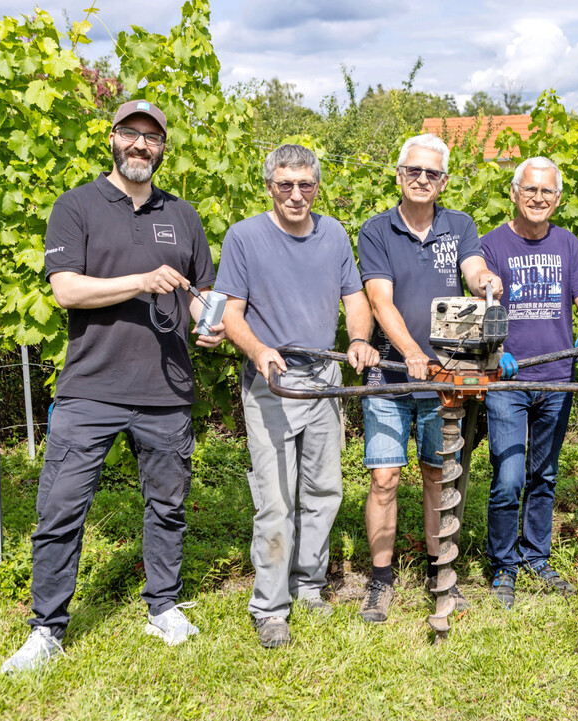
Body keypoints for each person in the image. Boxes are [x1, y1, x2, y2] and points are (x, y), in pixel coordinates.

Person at [1, 99, 225, 673]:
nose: (140, 145)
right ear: (113, 138)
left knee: (168, 505)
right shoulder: (76, 207)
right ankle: (47, 628)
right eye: (131, 134)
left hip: (166, 392)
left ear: (163, 148)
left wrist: (213, 327)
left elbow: (206, 291)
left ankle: (163, 607)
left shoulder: (186, 215)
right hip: (90, 389)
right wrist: (140, 282)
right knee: (60, 509)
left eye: (152, 138)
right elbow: (67, 292)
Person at [214, 144, 378, 648]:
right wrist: (260, 350)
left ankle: (309, 586)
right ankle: (269, 606)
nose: (295, 194)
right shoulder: (244, 237)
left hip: (324, 379)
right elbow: (229, 312)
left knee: (324, 491)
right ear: (269, 186)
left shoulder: (332, 235)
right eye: (285, 184)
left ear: (317, 186)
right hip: (273, 384)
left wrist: (356, 340)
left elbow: (355, 299)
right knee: (275, 500)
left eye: (305, 184)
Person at [356, 133, 502, 623]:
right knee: (384, 477)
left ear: (443, 181)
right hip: (392, 373)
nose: (422, 180)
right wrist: (411, 351)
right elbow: (379, 301)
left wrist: (485, 283)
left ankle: (441, 571)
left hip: (446, 375)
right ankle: (380, 580)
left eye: (432, 174)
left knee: (440, 475)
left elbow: (474, 267)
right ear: (399, 175)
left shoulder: (458, 225)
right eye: (413, 171)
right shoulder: (376, 231)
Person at [481, 156, 578, 608]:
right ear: (513, 193)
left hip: (557, 378)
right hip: (507, 381)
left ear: (558, 198)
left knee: (544, 474)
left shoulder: (568, 245)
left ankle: (536, 557)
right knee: (510, 476)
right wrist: (495, 351)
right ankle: (503, 565)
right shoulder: (491, 245)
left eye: (546, 191)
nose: (537, 198)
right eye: (529, 190)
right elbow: (479, 311)